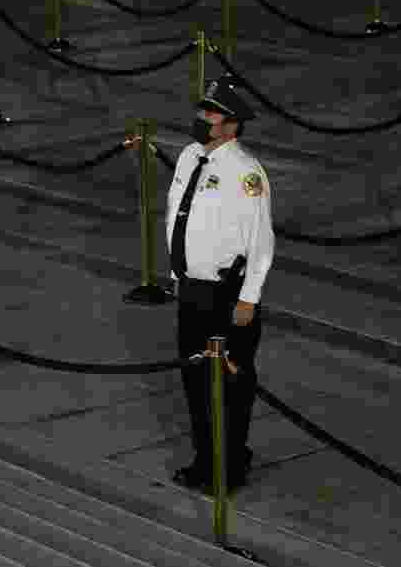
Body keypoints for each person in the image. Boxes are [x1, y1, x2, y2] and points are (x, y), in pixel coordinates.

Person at [165, 76, 275, 493]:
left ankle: (229, 465)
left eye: (210, 113)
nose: (201, 118)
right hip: (192, 289)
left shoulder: (245, 172)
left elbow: (261, 241)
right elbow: (178, 219)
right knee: (195, 382)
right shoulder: (189, 156)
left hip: (228, 295)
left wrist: (249, 299)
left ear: (231, 124)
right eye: (201, 110)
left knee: (229, 384)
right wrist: (178, 275)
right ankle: (205, 460)